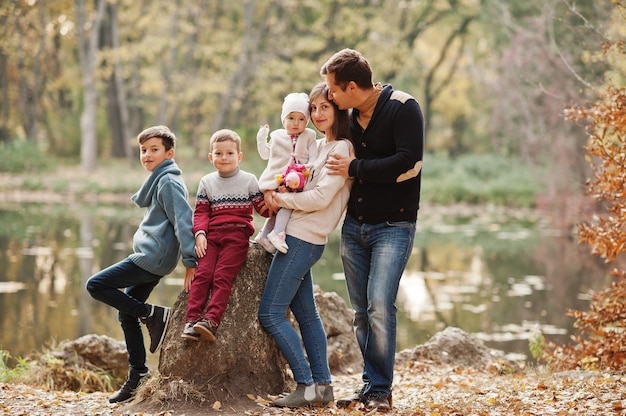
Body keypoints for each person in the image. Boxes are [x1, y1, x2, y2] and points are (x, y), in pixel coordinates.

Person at [321, 48, 425, 413]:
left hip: (394, 225)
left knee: (381, 306)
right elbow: (316, 128)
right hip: (354, 227)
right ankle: (370, 387)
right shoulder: (347, 113)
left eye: (332, 89)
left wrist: (354, 168)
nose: (329, 97)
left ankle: (381, 390)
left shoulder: (404, 107)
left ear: (351, 87)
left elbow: (408, 163)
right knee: (362, 311)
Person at [86, 125, 197, 404]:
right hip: (151, 256)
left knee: (95, 284)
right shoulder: (158, 180)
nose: (147, 155)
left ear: (169, 153)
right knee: (125, 314)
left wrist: (190, 261)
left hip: (152, 258)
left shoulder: (169, 182)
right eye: (143, 150)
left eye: (154, 150)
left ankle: (151, 314)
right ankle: (138, 375)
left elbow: (184, 221)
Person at [258, 82, 353, 408]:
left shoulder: (341, 149)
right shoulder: (321, 147)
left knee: (270, 313)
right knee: (307, 314)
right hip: (299, 235)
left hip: (302, 238)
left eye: (324, 107)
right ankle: (322, 388)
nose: (316, 114)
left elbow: (321, 197)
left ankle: (305, 384)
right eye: (313, 108)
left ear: (338, 108)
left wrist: (278, 198)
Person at [182, 129, 268, 341]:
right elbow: (201, 212)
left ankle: (210, 321)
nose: (224, 158)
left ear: (239, 156)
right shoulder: (207, 182)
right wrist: (200, 234)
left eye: (229, 153)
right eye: (218, 153)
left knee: (222, 276)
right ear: (211, 157)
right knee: (203, 275)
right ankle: (191, 321)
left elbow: (262, 209)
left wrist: (277, 200)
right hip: (211, 236)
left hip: (236, 235)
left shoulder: (249, 180)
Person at [255, 92, 318, 254]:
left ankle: (268, 234)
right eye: (291, 118)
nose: (296, 123)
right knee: (279, 205)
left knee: (287, 203)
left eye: (301, 119)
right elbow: (265, 154)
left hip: (297, 179)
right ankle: (275, 233)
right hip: (276, 179)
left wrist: (304, 171)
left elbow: (314, 158)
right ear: (283, 119)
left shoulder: (309, 136)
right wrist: (262, 138)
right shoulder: (277, 136)